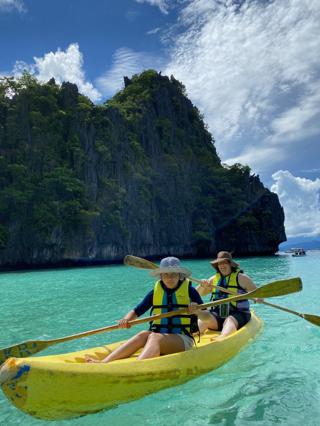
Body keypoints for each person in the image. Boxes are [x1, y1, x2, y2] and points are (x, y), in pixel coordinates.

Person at [85, 257, 203, 363]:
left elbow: (206, 316)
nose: (169, 278)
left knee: (154, 337)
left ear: (179, 275)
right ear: (161, 276)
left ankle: (137, 366)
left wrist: (197, 310)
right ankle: (105, 362)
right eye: (166, 274)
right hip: (161, 335)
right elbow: (136, 311)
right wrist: (126, 320)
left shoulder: (190, 291)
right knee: (143, 334)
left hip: (183, 339)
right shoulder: (155, 292)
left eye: (173, 274)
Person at [196, 251, 260, 339]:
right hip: (218, 314)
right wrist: (202, 285)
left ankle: (221, 339)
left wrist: (257, 298)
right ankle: (192, 336)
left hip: (238, 314)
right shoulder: (213, 280)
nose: (221, 265)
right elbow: (197, 294)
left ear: (230, 264)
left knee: (229, 320)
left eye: (224, 263)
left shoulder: (242, 278)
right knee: (204, 319)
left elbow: (257, 294)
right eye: (219, 263)